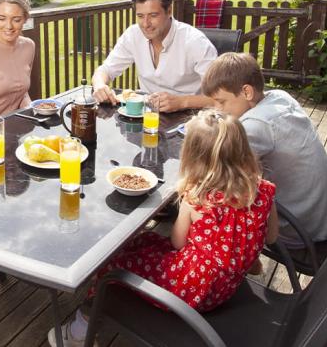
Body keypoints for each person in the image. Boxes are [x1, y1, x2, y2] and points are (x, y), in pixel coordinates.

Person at [49, 110, 278, 347]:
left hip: (191, 293)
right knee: (144, 239)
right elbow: (270, 237)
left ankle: (77, 334)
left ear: (194, 157)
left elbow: (177, 242)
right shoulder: (264, 190)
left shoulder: (198, 196)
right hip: (225, 287)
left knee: (111, 267)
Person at [201, 52, 327, 247]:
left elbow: (217, 173)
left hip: (294, 228)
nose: (217, 109)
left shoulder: (255, 125)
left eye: (221, 102)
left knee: (205, 200)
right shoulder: (280, 96)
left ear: (247, 92)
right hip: (318, 217)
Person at [91, 0, 217, 113]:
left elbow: (222, 98)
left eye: (153, 15)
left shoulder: (195, 42)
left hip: (190, 120)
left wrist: (182, 102)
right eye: (140, 16)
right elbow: (105, 70)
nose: (145, 24)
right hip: (147, 116)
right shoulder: (133, 35)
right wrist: (99, 85)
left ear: (169, 11)